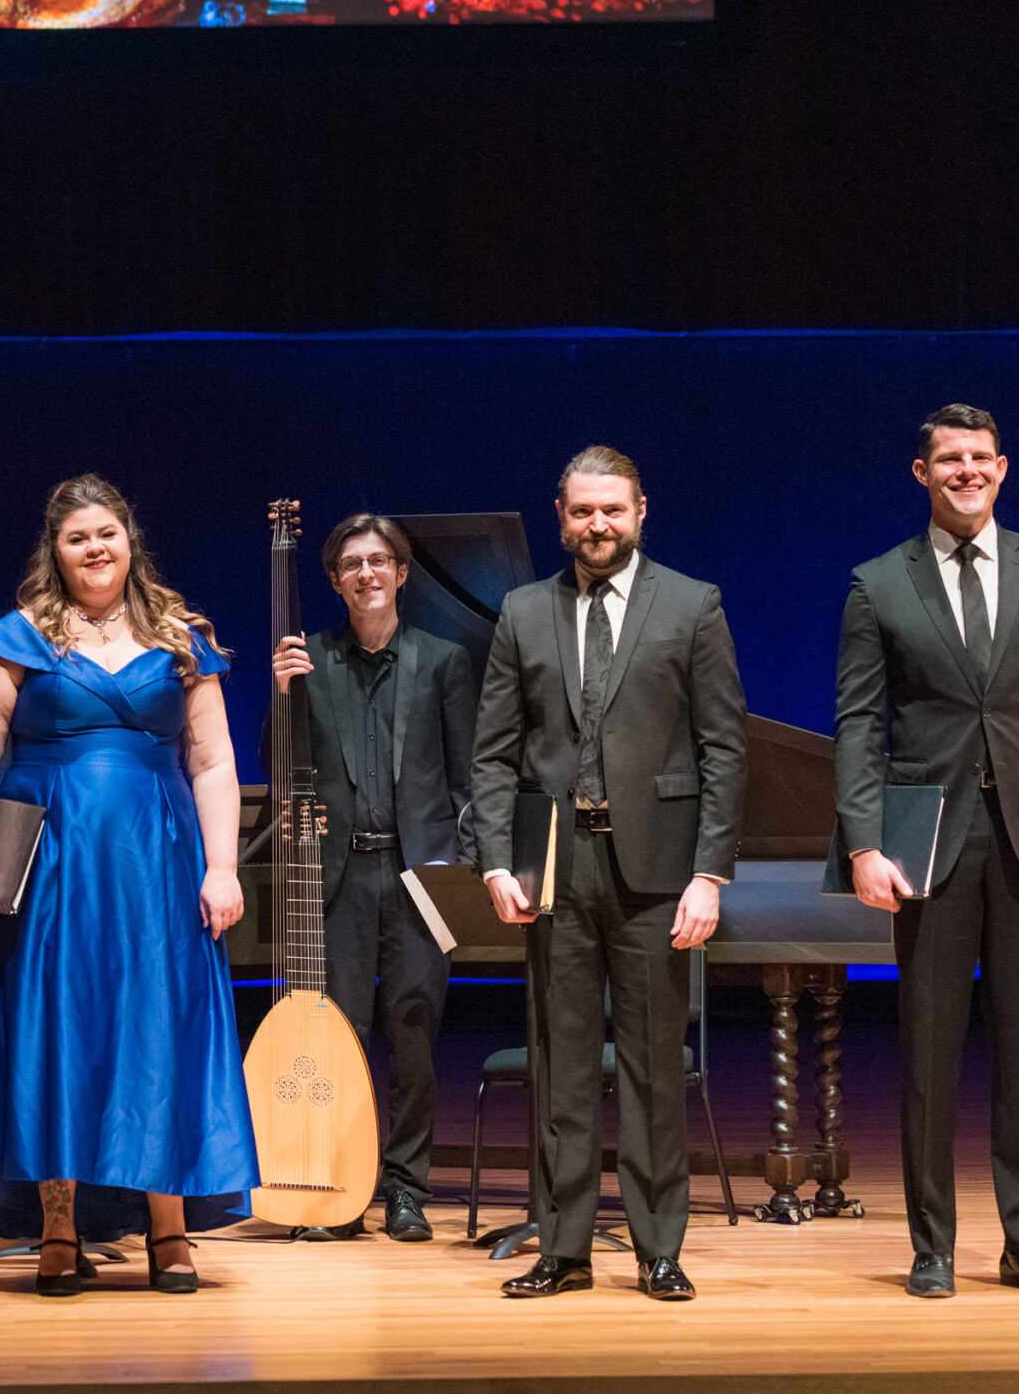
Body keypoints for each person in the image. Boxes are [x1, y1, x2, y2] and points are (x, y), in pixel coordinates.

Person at [0, 474, 255, 1298]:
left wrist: (222, 866)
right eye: (77, 537)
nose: (94, 548)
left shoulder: (181, 638)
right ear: (56, 550)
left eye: (106, 533)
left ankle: (170, 1229)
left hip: (157, 864)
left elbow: (213, 760)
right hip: (51, 867)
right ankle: (59, 1226)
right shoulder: (16, 639)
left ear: (130, 541)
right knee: (56, 1029)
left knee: (159, 1024)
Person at [835, 404, 1019, 1300]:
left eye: (980, 458)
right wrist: (865, 844)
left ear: (1003, 467)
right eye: (949, 460)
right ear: (923, 474)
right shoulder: (878, 583)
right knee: (929, 1053)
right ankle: (932, 1246)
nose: (966, 471)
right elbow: (857, 728)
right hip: (928, 846)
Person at [470, 446, 744, 1302]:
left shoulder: (693, 605)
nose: (597, 526)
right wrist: (494, 862)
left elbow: (725, 750)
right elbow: (492, 755)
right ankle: (565, 1248)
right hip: (556, 867)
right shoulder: (522, 611)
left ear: (640, 511)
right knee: (561, 1065)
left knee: (657, 1066)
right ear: (560, 514)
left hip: (659, 871)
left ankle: (661, 1247)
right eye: (583, 512)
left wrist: (711, 874)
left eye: (612, 512)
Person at [269, 512, 475, 1244]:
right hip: (338, 876)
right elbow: (278, 768)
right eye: (351, 563)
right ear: (334, 580)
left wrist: (460, 867)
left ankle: (406, 1189)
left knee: (412, 1037)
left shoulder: (443, 661)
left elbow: (466, 776)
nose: (366, 574)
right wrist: (281, 695)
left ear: (401, 573)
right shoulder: (308, 660)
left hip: (418, 876)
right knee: (339, 1040)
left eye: (378, 561)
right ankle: (340, 1191)